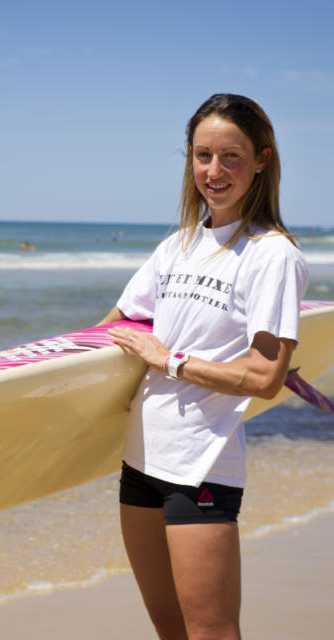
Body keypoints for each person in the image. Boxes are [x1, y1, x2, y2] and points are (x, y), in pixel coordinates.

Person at [98, 94, 308, 640]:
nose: (214, 172)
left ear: (261, 160)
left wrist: (170, 360)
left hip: (201, 468)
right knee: (169, 629)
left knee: (210, 631)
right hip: (141, 458)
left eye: (230, 156)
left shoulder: (271, 255)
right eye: (202, 155)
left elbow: (265, 377)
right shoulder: (178, 246)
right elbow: (113, 326)